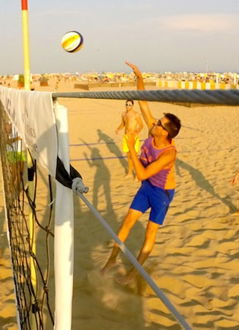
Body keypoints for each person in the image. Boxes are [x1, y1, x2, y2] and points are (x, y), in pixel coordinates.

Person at [102, 62, 182, 283]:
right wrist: (139, 77)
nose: (154, 122)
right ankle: (112, 260)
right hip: (147, 188)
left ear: (165, 132)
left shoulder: (169, 153)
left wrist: (130, 147)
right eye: (157, 121)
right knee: (128, 219)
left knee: (149, 232)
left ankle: (134, 273)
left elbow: (143, 174)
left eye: (159, 123)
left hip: (162, 193)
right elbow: (143, 101)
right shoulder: (152, 130)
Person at [116, 99, 144, 178]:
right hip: (126, 136)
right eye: (127, 104)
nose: (128, 106)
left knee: (134, 156)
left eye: (130, 105)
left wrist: (136, 132)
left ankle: (138, 174)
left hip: (133, 137)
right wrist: (118, 129)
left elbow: (141, 125)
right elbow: (123, 124)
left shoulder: (136, 114)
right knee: (128, 155)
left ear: (132, 105)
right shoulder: (123, 114)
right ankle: (130, 173)